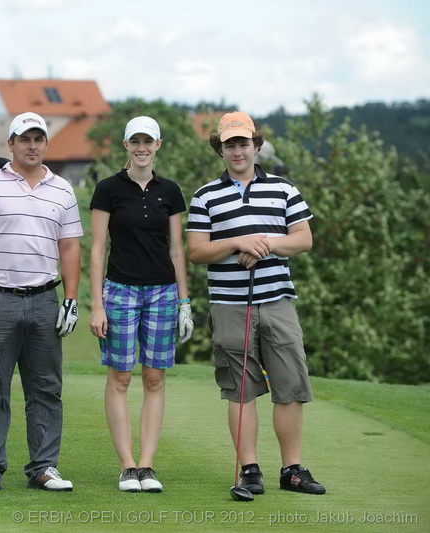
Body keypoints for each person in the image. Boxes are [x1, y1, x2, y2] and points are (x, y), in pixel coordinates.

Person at [186, 111, 326, 496]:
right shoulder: (205, 196)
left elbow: (303, 239)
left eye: (243, 143)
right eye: (229, 144)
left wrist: (264, 243)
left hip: (278, 301)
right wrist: (237, 243)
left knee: (291, 386)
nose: (237, 151)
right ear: (220, 149)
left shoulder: (283, 189)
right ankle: (249, 470)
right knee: (241, 390)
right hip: (229, 305)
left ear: (256, 145)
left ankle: (292, 469)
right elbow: (196, 252)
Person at [0, 112, 83, 495]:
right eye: (24, 139)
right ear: (10, 144)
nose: (32, 146)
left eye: (38, 139)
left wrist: (71, 299)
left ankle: (43, 467)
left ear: (46, 143)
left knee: (46, 388)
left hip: (45, 298)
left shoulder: (62, 189)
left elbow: (70, 247)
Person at [88, 116, 193, 493]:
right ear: (126, 146)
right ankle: (127, 466)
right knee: (120, 376)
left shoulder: (171, 191)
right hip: (120, 291)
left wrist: (185, 301)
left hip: (163, 292)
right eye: (135, 141)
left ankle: (147, 465)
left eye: (148, 141)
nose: (142, 147)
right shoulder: (108, 189)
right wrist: (96, 304)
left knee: (154, 377)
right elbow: (97, 249)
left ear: (158, 145)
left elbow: (177, 250)